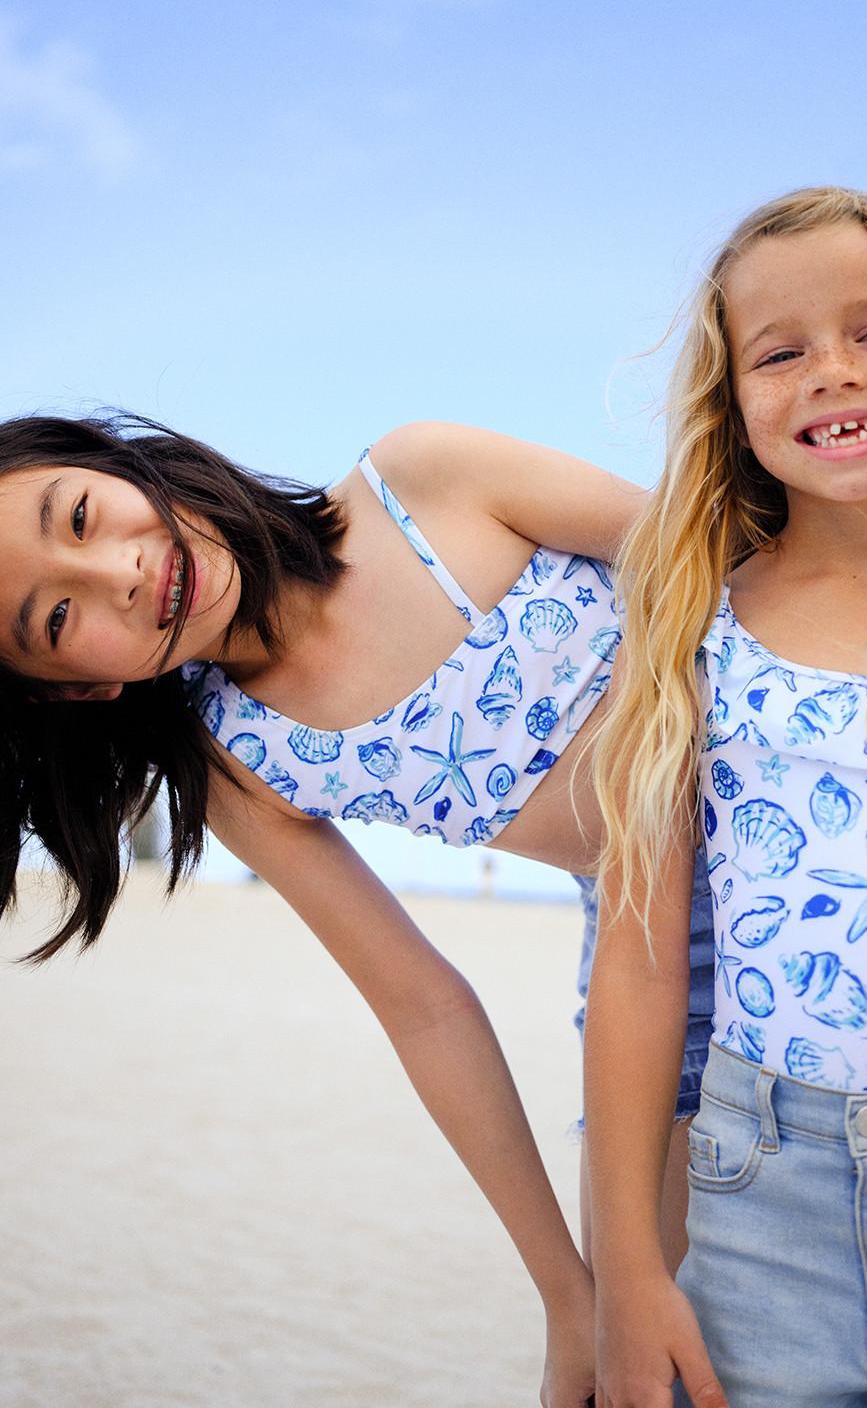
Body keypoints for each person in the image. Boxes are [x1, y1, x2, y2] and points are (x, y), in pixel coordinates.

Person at [0, 413, 713, 1408]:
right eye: (58, 619)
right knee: (661, 1356)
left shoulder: (423, 481)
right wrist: (563, 1295)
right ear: (81, 690)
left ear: (122, 463)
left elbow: (720, 565)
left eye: (79, 514)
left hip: (847, 844)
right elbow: (425, 1007)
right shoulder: (245, 757)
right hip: (659, 974)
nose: (112, 572)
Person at [585, 187, 867, 1408]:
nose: (831, 371)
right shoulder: (697, 618)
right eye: (780, 351)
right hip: (761, 1195)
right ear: (732, 402)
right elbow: (643, 954)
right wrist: (625, 1275)